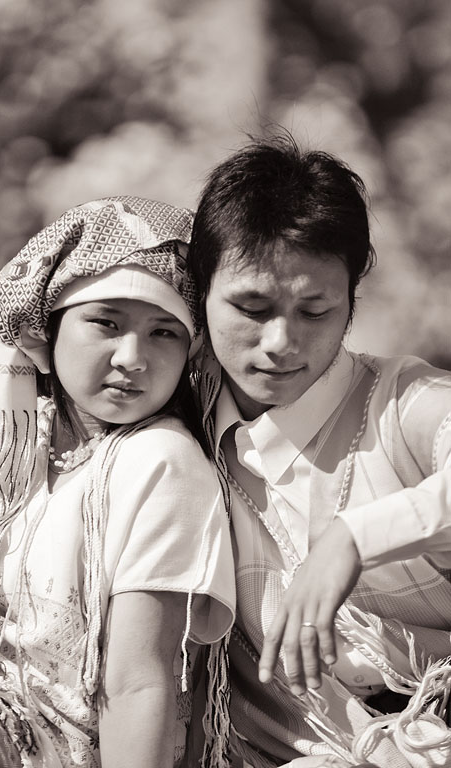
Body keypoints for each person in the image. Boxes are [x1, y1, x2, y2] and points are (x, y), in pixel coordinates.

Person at [0, 196, 235, 768]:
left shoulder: (162, 465)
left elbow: (137, 682)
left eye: (164, 333)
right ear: (46, 331)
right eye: (105, 322)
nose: (132, 357)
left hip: (46, 739)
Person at [187, 132, 451, 768]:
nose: (281, 340)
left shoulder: (401, 401)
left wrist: (354, 537)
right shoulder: (179, 439)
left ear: (351, 305)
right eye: (251, 306)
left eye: (315, 310)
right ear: (200, 292)